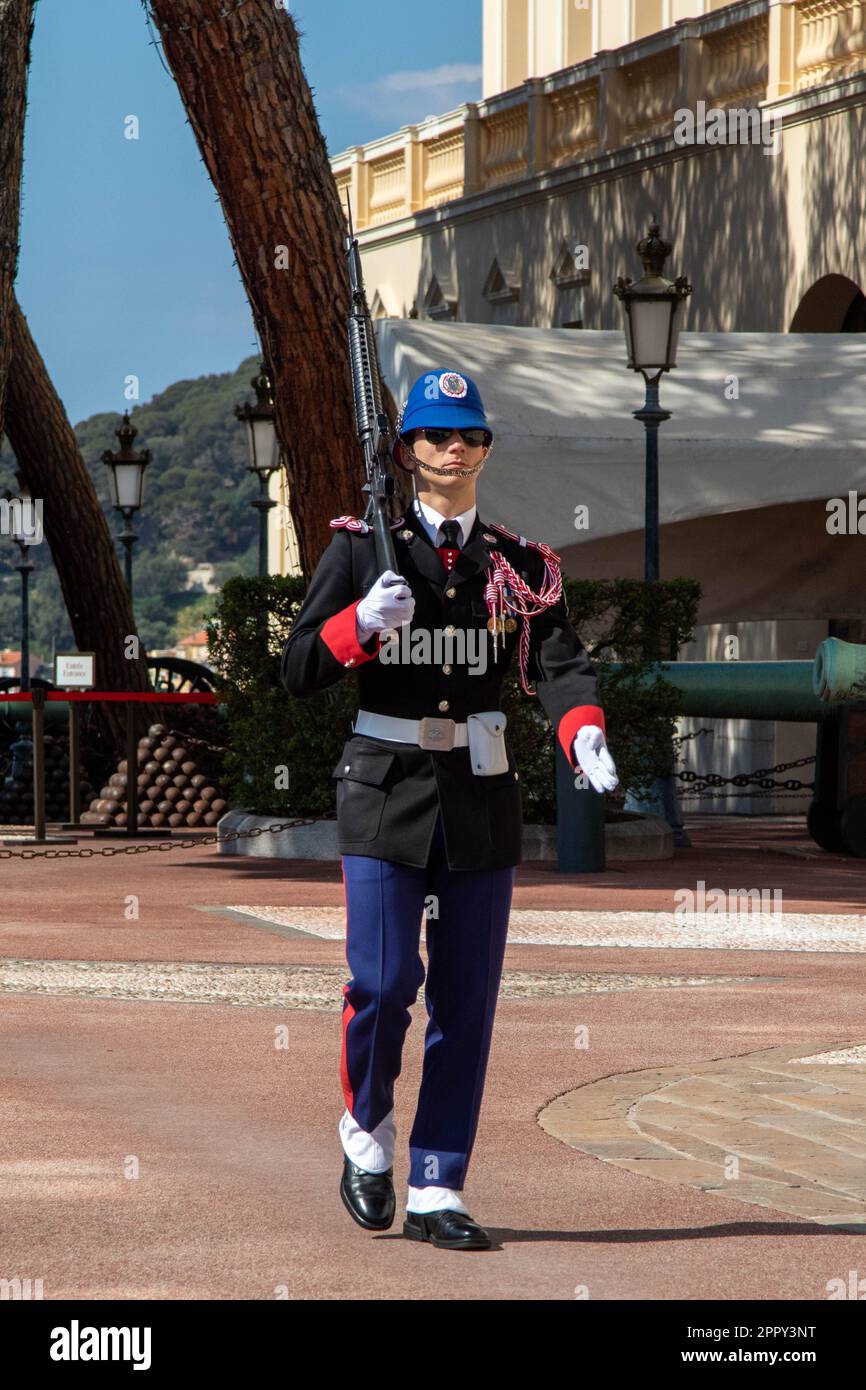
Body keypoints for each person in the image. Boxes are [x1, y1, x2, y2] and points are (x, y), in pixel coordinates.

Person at [280, 367, 618, 1251]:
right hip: (384, 793)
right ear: (408, 454)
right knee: (384, 982)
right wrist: (358, 625)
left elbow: (558, 663)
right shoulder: (363, 552)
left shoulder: (519, 565)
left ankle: (437, 1183)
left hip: (479, 796)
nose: (453, 449)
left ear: (486, 451)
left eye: (468, 436)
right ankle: (366, 1130)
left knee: (467, 1001)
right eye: (436, 436)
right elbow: (298, 670)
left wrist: (581, 727)